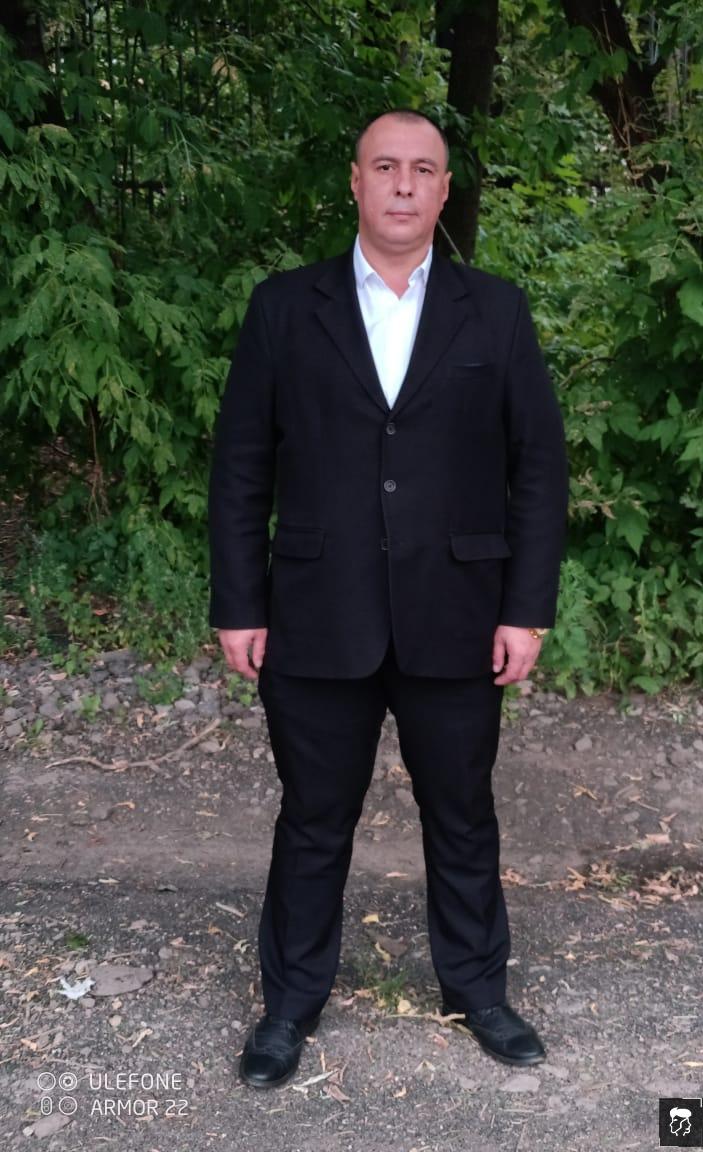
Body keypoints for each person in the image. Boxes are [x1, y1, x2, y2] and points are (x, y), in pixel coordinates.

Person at [208, 108, 569, 1090]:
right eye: (385, 166)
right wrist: (238, 603)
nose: (403, 184)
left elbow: (539, 470)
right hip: (317, 610)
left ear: (445, 190)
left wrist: (526, 608)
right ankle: (289, 1006)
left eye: (422, 169)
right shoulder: (286, 307)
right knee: (313, 816)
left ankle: (479, 991)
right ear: (356, 182)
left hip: (460, 611)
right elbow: (241, 466)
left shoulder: (496, 312)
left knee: (463, 813)